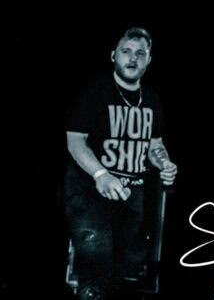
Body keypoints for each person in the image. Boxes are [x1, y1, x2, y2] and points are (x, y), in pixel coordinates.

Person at [64, 27, 178, 300]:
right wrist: (100, 174)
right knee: (95, 271)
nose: (133, 58)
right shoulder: (95, 91)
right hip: (90, 196)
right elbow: (75, 141)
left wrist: (164, 163)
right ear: (114, 55)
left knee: (123, 273)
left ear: (149, 60)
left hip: (131, 199)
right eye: (126, 51)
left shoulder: (152, 98)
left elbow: (154, 146)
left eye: (140, 53)